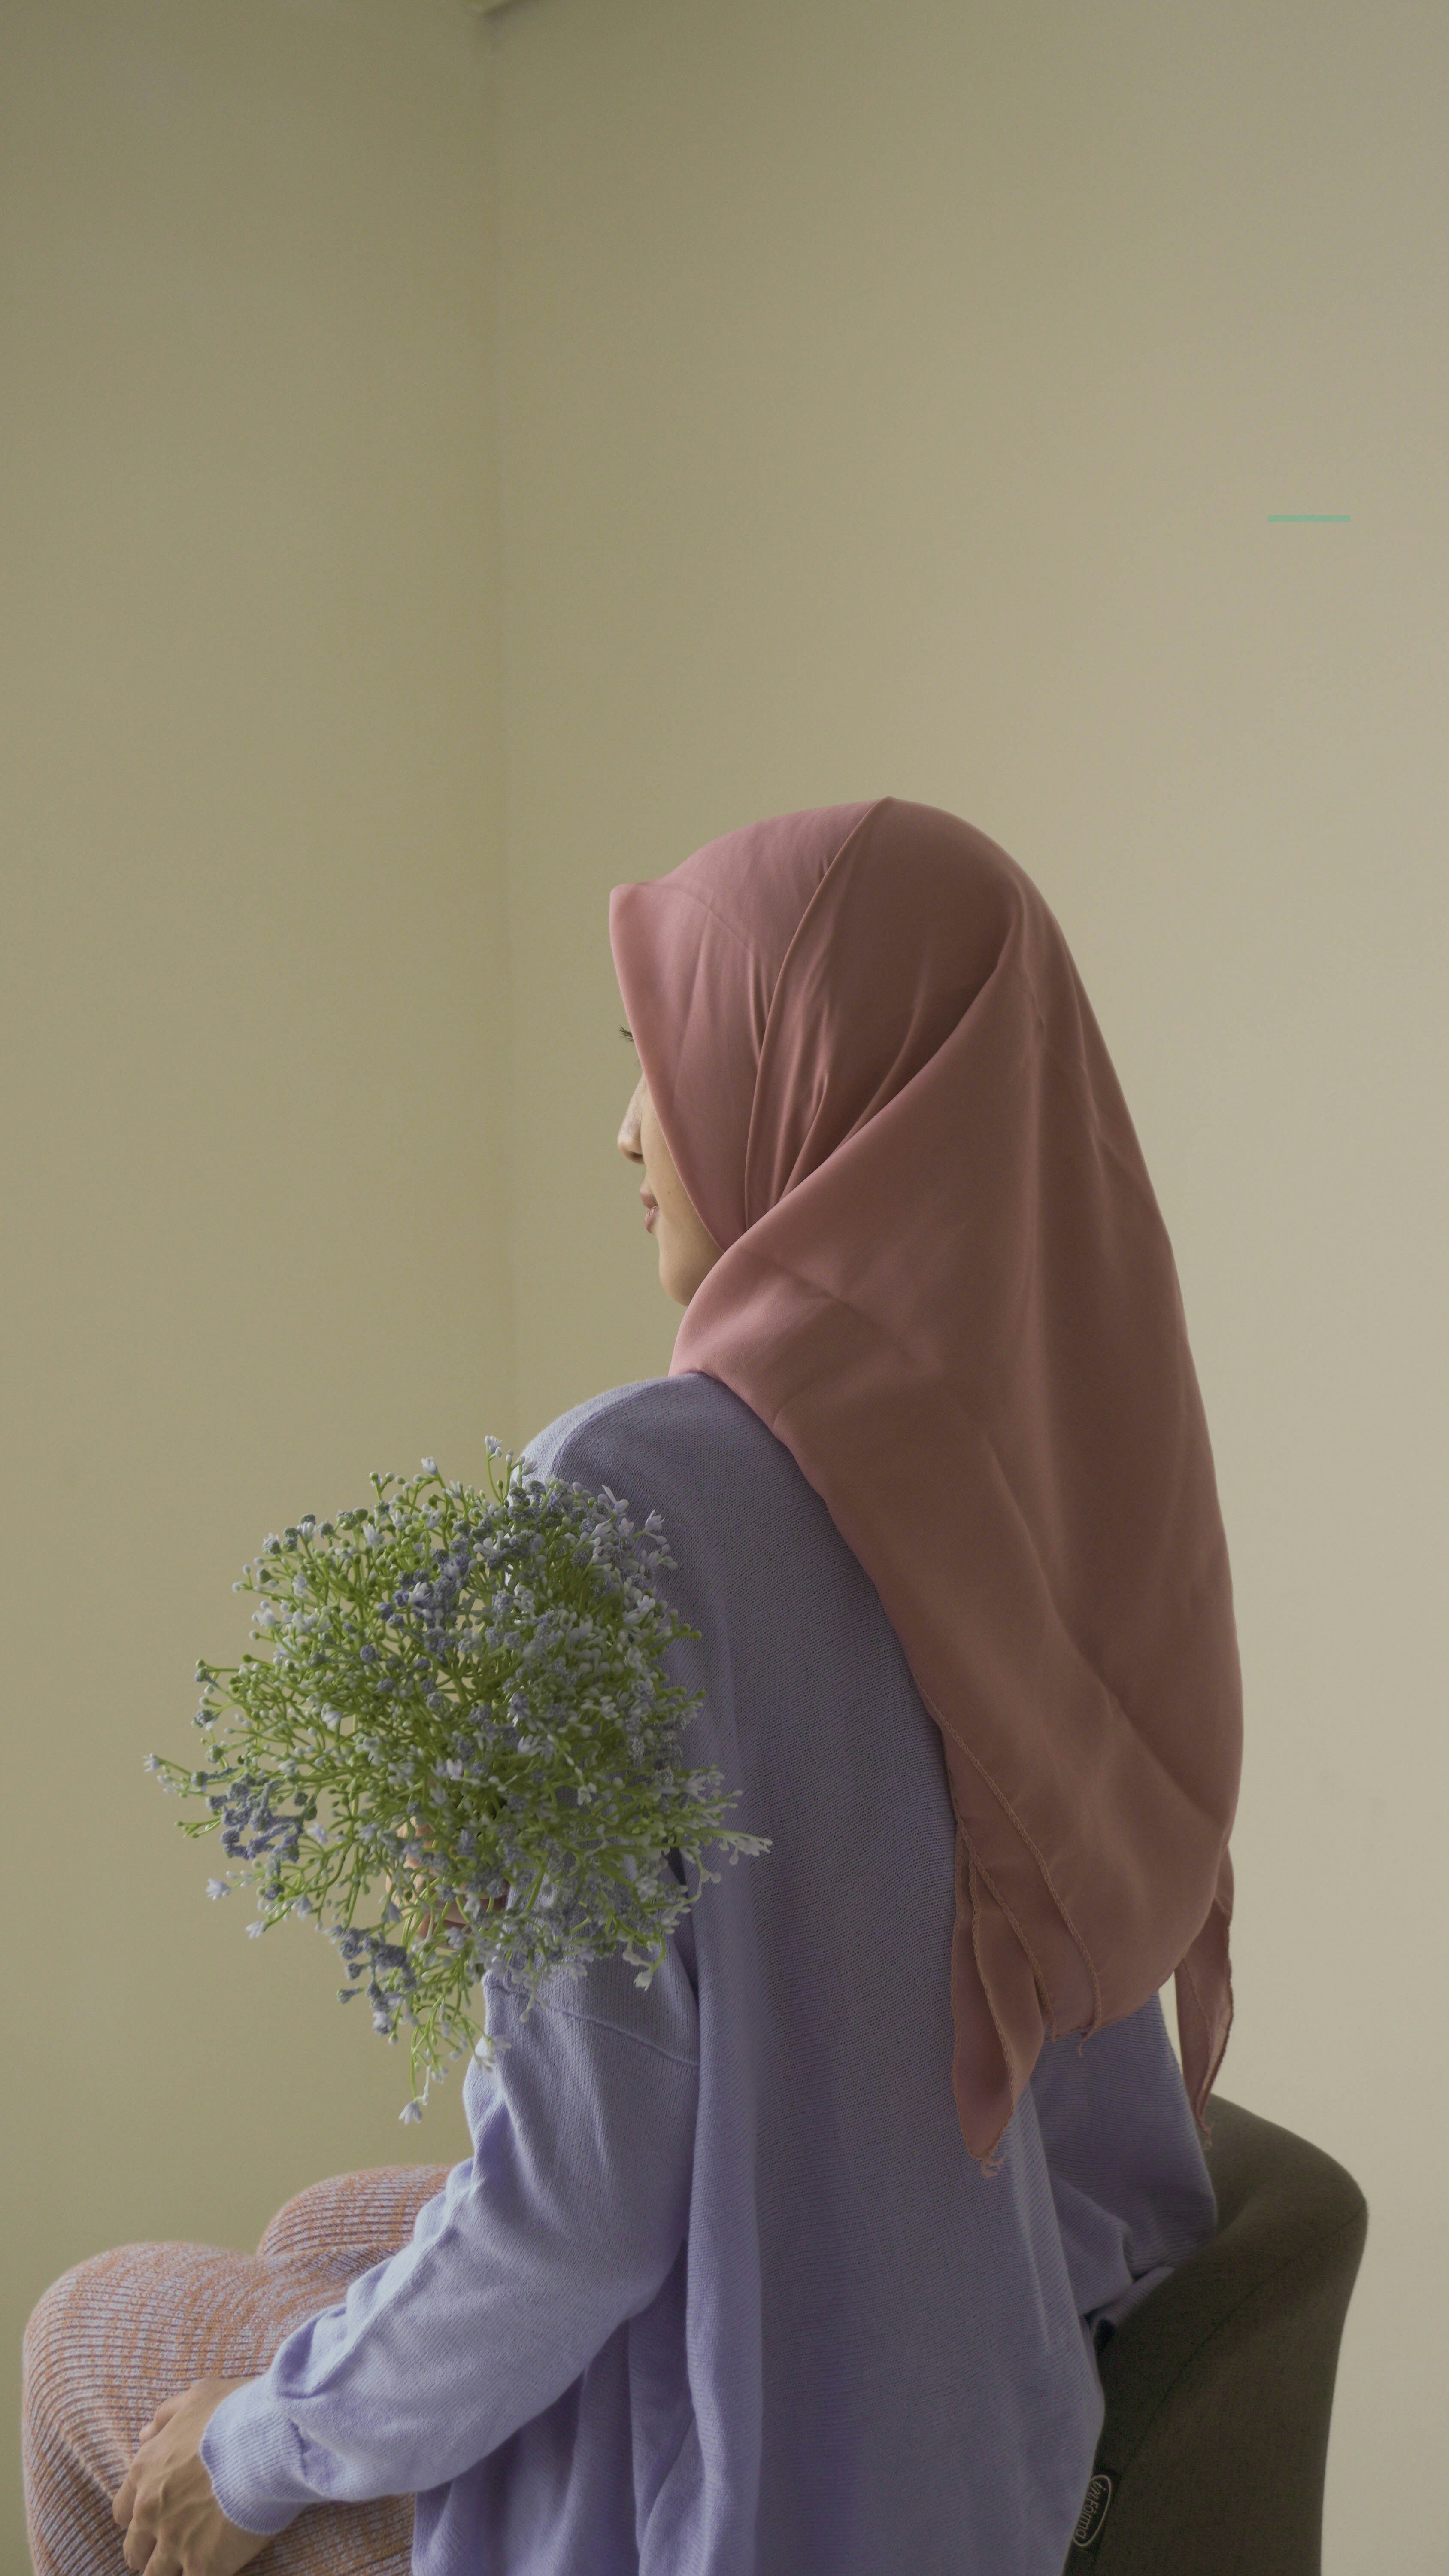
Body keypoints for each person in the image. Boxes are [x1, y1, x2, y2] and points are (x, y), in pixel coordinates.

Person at [24, 796, 1238, 2576]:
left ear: (805, 1083)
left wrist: (260, 2450)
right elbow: (1123, 2180)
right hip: (978, 2461)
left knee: (93, 2333)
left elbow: (580, 2219)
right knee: (323, 2227)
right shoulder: (1061, 1514)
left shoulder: (620, 1505)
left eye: (659, 1059)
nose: (624, 1131)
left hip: (724, 2513)